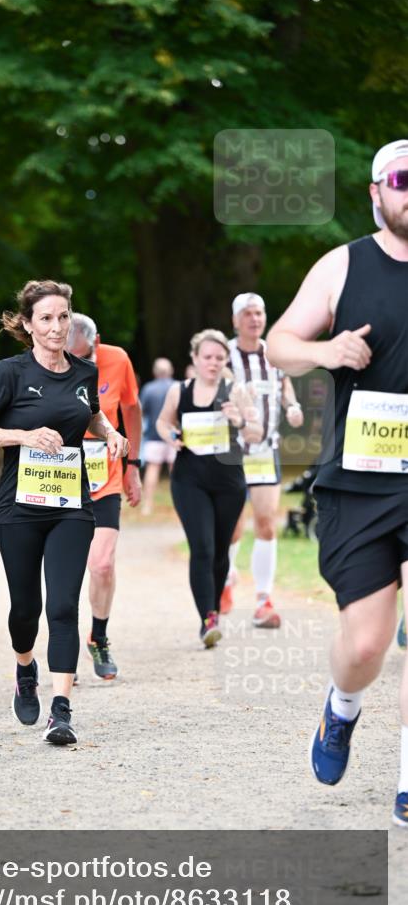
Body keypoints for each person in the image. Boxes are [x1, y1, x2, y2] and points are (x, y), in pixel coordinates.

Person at [266, 139, 408, 828]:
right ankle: (340, 708)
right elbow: (278, 344)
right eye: (402, 180)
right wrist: (326, 350)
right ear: (376, 192)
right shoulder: (342, 264)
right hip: (360, 479)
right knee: (364, 645)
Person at [0, 280, 127, 745]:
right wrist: (24, 435)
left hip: (70, 505)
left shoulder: (82, 371)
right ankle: (24, 668)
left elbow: (91, 413)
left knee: (61, 606)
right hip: (17, 508)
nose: (57, 327)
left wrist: (109, 432)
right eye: (46, 319)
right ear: (28, 325)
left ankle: (62, 710)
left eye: (63, 317)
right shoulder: (10, 372)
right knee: (26, 610)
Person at [157, 330, 261, 647]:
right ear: (195, 359)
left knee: (219, 551)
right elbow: (162, 421)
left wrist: (240, 421)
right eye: (207, 357)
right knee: (201, 547)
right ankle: (208, 620)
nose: (213, 363)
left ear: (225, 360)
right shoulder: (180, 391)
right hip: (189, 478)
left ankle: (213, 607)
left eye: (219, 358)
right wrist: (170, 436)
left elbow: (257, 433)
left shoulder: (236, 391)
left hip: (228, 479)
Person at [221, 293, 305, 624]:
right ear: (235, 320)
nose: (255, 319)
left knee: (267, 522)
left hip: (265, 449)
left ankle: (263, 599)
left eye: (260, 313)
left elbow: (284, 385)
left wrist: (293, 406)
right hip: (230, 451)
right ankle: (226, 579)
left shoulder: (274, 352)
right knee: (232, 527)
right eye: (248, 314)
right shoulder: (224, 354)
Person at [66, 313, 142, 679]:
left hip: (105, 477)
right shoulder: (42, 363)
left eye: (85, 355)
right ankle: (63, 646)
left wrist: (134, 464)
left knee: (102, 564)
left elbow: (131, 409)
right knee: (66, 568)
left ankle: (98, 636)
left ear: (96, 343)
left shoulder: (117, 359)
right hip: (58, 478)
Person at [139, 358, 176, 517]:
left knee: (152, 470)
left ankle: (147, 505)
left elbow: (140, 412)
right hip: (173, 435)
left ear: (155, 372)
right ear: (171, 371)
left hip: (153, 436)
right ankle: (179, 504)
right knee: (176, 472)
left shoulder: (148, 389)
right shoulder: (177, 387)